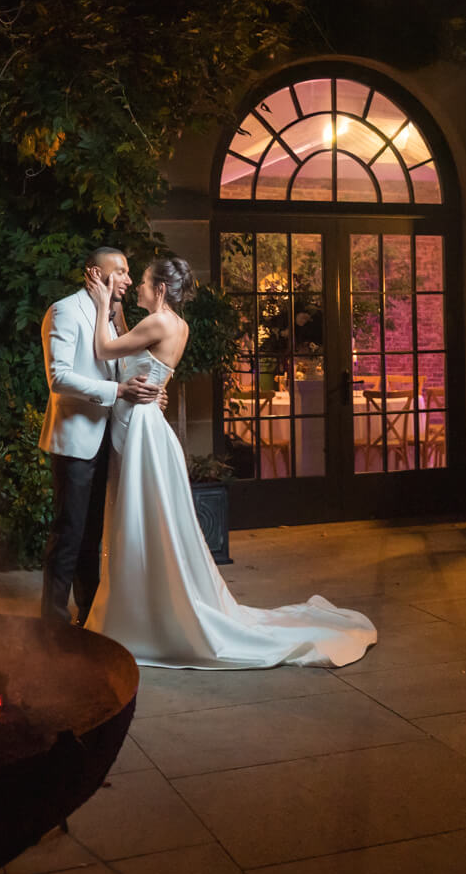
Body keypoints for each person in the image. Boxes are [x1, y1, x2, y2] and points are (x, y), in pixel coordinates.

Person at [81, 254, 377, 668]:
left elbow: (103, 348)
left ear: (160, 290)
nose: (140, 290)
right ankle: (147, 606)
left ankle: (142, 615)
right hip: (147, 422)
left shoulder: (159, 322)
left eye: (144, 284)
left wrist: (99, 307)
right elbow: (134, 357)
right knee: (149, 517)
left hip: (142, 429)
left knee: (142, 517)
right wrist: (112, 309)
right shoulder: (175, 325)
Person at [38, 247, 165, 625]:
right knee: (70, 531)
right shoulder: (64, 310)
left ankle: (89, 616)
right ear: (96, 272)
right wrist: (119, 392)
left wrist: (148, 391)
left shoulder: (110, 317)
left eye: (129, 273)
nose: (128, 279)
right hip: (75, 439)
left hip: (107, 437)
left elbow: (120, 369)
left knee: (93, 534)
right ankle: (53, 621)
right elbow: (58, 377)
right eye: (121, 271)